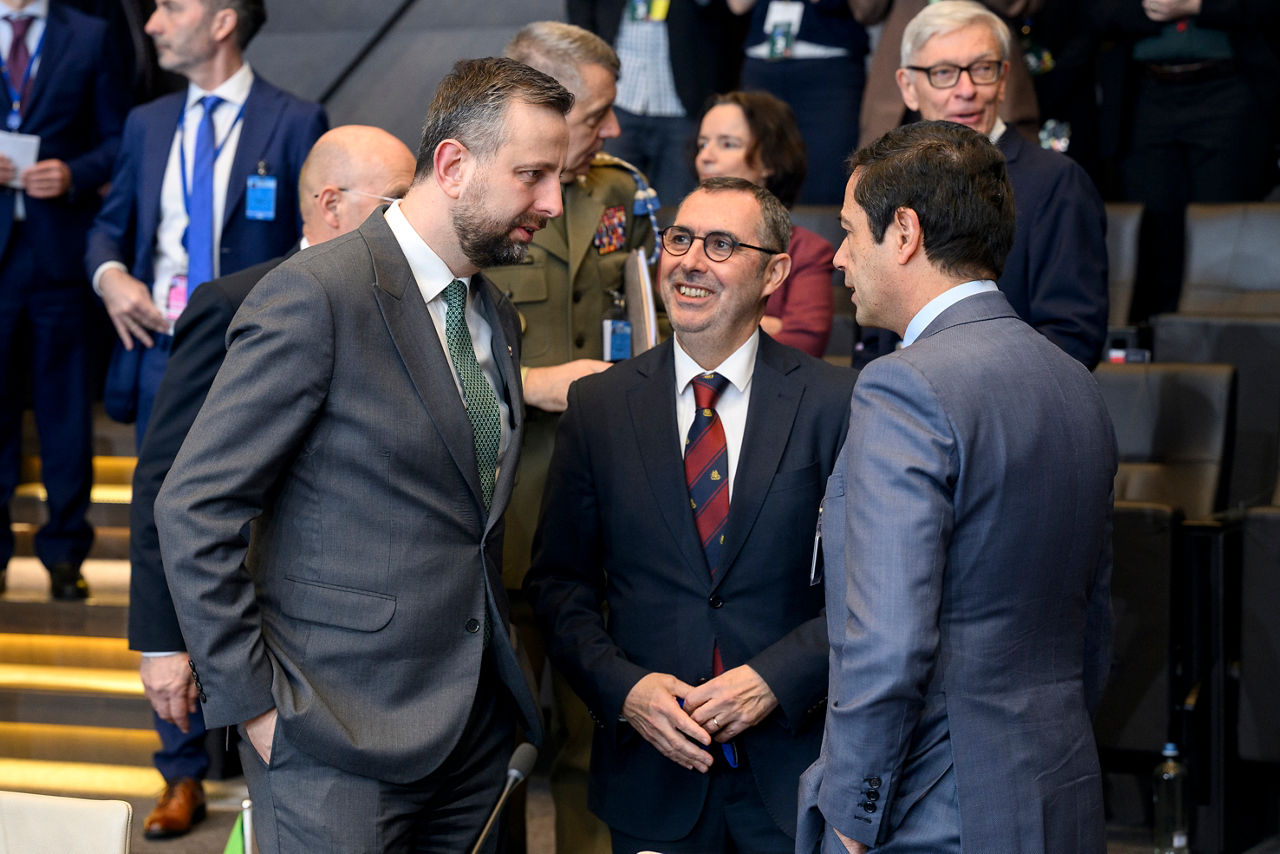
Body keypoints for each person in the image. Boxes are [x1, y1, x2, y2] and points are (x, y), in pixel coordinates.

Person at [154, 57, 571, 853]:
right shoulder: (317, 293)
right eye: (533, 175)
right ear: (453, 164)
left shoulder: (495, 315)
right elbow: (195, 505)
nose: (553, 202)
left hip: (478, 731)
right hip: (331, 736)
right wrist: (256, 707)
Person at [796, 120, 1115, 853]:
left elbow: (889, 638)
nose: (839, 258)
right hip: (1059, 779)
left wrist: (851, 805)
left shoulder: (901, 386)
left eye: (849, 232)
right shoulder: (1074, 382)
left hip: (934, 808)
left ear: (904, 233)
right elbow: (1092, 623)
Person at [526, 177, 853, 854]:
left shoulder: (836, 404)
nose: (690, 262)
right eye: (679, 240)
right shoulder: (600, 407)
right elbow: (560, 585)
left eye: (721, 244)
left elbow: (872, 591)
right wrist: (626, 690)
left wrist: (776, 679)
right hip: (652, 779)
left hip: (793, 775)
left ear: (775, 273)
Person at [127, 125, 414, 840]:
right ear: (332, 204)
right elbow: (167, 478)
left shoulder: (413, 304)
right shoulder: (236, 301)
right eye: (396, 202)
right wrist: (161, 641)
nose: (412, 219)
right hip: (259, 616)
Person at [487, 20, 656, 854]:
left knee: (602, 732)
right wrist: (533, 384)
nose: (612, 129)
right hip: (506, 500)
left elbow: (652, 318)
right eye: (597, 114)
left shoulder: (620, 191)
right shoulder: (472, 193)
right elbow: (423, 350)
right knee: (503, 747)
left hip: (606, 502)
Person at [85, 0, 327, 446]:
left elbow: (316, 243)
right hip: (161, 347)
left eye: (172, 9)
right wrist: (110, 278)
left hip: (251, 354)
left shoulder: (295, 121)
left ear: (222, 23)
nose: (152, 25)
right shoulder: (146, 123)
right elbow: (108, 227)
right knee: (153, 489)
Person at [858, 0, 1108, 369]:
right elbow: (872, 334)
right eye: (944, 72)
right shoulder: (888, 183)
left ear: (1004, 79)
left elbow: (1072, 337)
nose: (967, 89)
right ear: (908, 87)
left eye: (983, 69)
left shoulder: (1056, 183)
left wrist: (959, 385)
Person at [0, 0, 130, 599]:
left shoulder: (90, 35)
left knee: (65, 408)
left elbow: (118, 139)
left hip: (60, 249)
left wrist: (73, 173)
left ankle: (65, 551)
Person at [1099, 0, 1280, 320]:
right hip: (1143, 91)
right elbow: (1092, 13)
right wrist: (1153, 8)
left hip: (1228, 87)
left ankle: (1219, 336)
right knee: (1153, 233)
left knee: (1223, 227)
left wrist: (1197, 6)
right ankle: (1159, 339)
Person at [568, 0, 748, 207]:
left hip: (685, 100)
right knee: (607, 200)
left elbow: (732, 15)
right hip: (619, 98)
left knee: (678, 205)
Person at [695, 90, 833, 357]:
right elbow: (666, 332)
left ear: (769, 161)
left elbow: (804, 343)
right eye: (702, 144)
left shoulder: (807, 251)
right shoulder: (681, 242)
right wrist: (766, 325)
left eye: (727, 144)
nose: (705, 157)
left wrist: (709, 325)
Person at [729, 0, 870, 205]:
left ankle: (821, 227)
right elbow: (737, 5)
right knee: (754, 170)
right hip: (761, 64)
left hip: (826, 65)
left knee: (827, 173)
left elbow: (867, 11)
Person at [853, 0, 1043, 148]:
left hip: (1001, 99)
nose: (966, 91)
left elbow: (1023, 4)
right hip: (896, 100)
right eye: (944, 71)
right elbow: (865, 10)